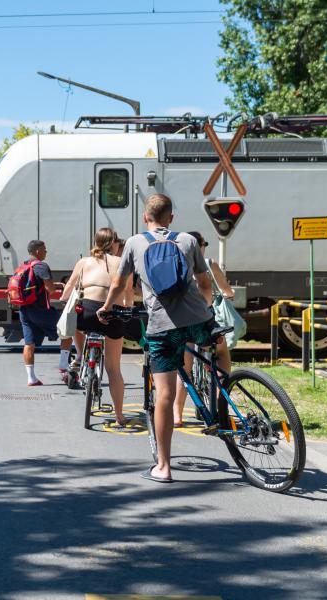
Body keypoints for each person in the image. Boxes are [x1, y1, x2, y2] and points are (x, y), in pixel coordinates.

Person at [100, 193, 214, 483]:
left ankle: (164, 467)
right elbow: (204, 282)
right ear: (171, 218)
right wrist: (206, 309)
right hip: (198, 318)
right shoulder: (188, 240)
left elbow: (118, 283)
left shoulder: (136, 243)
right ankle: (224, 388)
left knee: (164, 394)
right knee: (217, 347)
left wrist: (107, 307)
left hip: (162, 325)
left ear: (144, 217)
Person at [62, 227, 133, 426]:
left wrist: (62, 300)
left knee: (76, 324)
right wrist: (128, 308)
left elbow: (69, 287)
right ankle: (119, 415)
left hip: (88, 311)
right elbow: (128, 293)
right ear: (114, 243)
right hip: (113, 313)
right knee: (113, 369)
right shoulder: (122, 263)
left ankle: (79, 355)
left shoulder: (84, 262)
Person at [172, 231, 237, 427]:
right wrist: (228, 295)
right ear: (200, 246)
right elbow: (226, 291)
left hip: (183, 321)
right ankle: (221, 402)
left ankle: (178, 413)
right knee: (222, 353)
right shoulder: (209, 264)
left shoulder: (177, 264)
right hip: (206, 321)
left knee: (184, 368)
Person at [17, 240, 73, 386]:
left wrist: (57, 284)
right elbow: (50, 290)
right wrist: (59, 288)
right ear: (37, 251)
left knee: (29, 344)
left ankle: (31, 378)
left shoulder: (23, 266)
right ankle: (63, 366)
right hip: (41, 311)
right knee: (68, 331)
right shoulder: (41, 266)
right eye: (44, 249)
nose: (46, 251)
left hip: (25, 311)